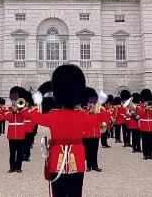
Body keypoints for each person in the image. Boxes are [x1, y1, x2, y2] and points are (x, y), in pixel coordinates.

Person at [31, 64, 100, 197]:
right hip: (78, 156)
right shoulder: (82, 115)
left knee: (59, 192)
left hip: (57, 155)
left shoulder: (52, 115)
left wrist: (37, 104)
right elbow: (98, 120)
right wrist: (99, 105)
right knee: (76, 191)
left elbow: (35, 117)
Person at [4, 90, 30, 173]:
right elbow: (7, 118)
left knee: (20, 152)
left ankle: (19, 167)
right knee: (12, 152)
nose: (15, 102)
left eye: (16, 100)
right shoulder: (9, 109)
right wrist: (13, 111)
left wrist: (21, 110)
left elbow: (27, 116)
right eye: (14, 101)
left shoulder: (23, 110)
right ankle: (12, 167)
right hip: (11, 133)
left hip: (20, 133)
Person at [83, 87, 105, 172]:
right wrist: (90, 111)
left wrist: (98, 110)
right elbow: (85, 120)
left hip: (96, 133)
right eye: (90, 102)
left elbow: (102, 119)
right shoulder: (85, 111)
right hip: (88, 133)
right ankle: (88, 166)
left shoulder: (98, 111)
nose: (91, 104)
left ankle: (95, 165)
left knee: (95, 150)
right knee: (88, 150)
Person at [137, 89, 152, 160]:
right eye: (145, 101)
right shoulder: (140, 106)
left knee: (150, 141)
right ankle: (145, 154)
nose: (146, 102)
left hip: (151, 125)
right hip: (144, 126)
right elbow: (140, 114)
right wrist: (145, 109)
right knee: (145, 141)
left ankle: (150, 154)